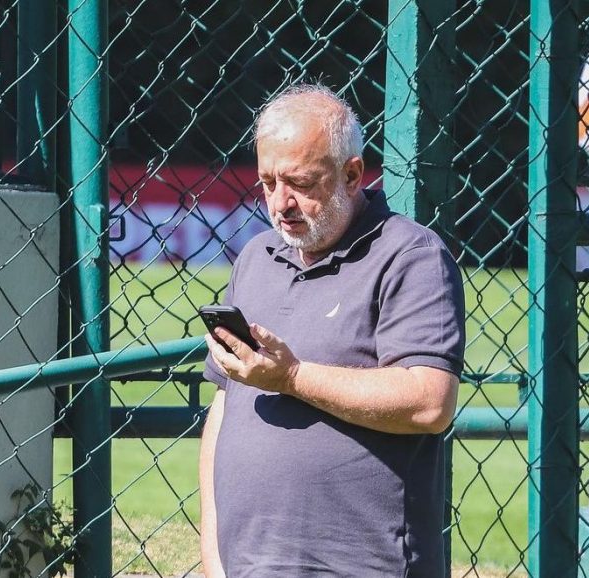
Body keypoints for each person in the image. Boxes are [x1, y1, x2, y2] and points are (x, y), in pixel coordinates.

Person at [200, 83, 465, 578]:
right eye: (267, 183)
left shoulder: (410, 256)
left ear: (352, 174)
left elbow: (430, 402)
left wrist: (291, 377)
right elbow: (224, 407)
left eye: (300, 183)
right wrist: (215, 554)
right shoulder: (256, 258)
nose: (281, 203)